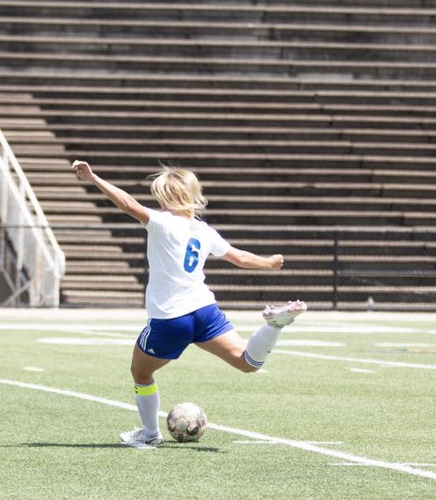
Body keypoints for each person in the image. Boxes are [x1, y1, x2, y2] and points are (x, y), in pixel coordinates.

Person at [71, 160, 307, 448]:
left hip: (171, 317)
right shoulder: (203, 230)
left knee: (141, 372)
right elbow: (240, 258)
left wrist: (94, 178)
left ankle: (149, 433)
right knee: (247, 362)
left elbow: (129, 205)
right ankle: (273, 326)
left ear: (166, 196)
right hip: (205, 310)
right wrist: (269, 263)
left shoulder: (162, 222)